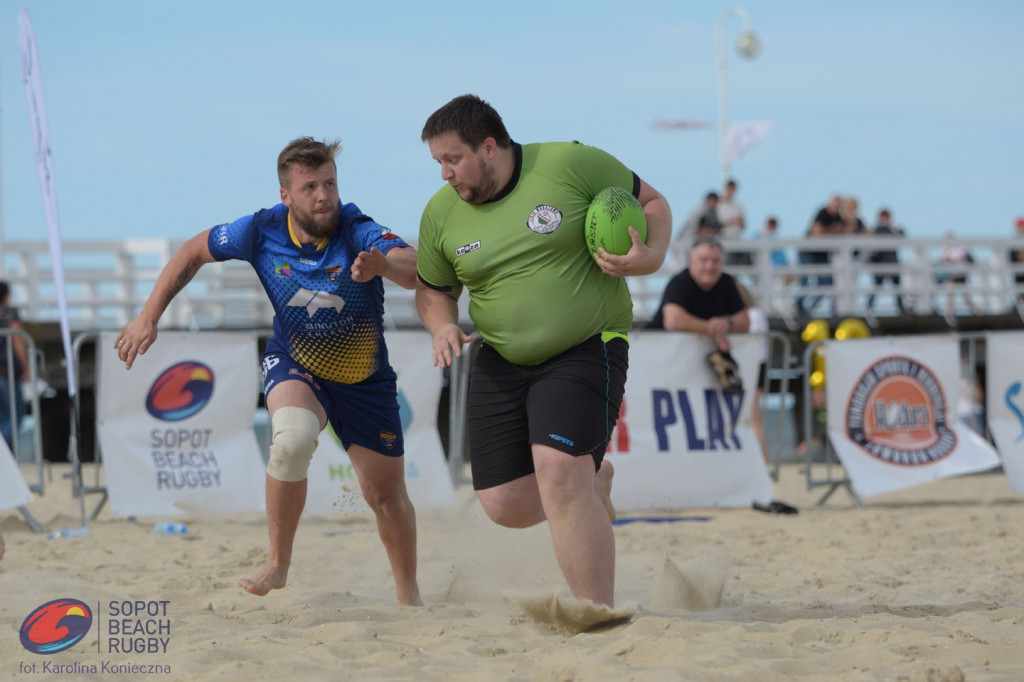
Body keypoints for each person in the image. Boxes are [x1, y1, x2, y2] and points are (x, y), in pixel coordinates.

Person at [115, 137, 423, 605]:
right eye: (310, 187)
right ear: (287, 196)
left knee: (386, 497)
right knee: (293, 439)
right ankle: (278, 563)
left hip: (364, 379)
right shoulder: (259, 230)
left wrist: (383, 265)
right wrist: (148, 316)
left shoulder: (356, 227)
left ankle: (408, 592)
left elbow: (413, 267)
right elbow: (192, 251)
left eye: (330, 184)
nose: (324, 196)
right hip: (298, 362)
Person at [415, 94, 671, 609]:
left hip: (585, 343)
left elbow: (653, 203)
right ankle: (592, 480)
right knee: (503, 503)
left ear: (489, 147)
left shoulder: (568, 163)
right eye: (437, 163)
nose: (444, 174)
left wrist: (651, 257)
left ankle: (595, 612)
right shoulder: (441, 214)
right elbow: (433, 289)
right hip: (503, 356)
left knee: (558, 468)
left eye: (452, 159)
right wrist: (441, 326)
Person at [647, 237, 750, 393]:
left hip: (693, 381)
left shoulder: (727, 282)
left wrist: (727, 322)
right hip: (658, 366)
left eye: (715, 261)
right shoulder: (679, 282)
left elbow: (745, 321)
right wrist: (712, 328)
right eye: (703, 260)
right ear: (691, 261)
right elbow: (673, 320)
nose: (709, 266)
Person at [0, 281, 30, 451]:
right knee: (14, 415)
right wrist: (26, 366)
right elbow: (17, 340)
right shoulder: (9, 313)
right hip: (6, 371)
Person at [866, 208, 906, 313]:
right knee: (876, 287)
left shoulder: (893, 229)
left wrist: (894, 226)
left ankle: (901, 308)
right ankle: (869, 307)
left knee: (897, 288)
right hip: (881, 263)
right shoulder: (877, 230)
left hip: (892, 262)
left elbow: (903, 236)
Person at [718, 178, 751, 267]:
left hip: (737, 239)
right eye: (730, 189)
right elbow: (718, 224)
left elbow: (744, 225)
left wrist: (739, 221)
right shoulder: (718, 205)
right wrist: (733, 220)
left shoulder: (738, 206)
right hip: (723, 240)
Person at [1008, 216, 1024, 304]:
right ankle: (1019, 305)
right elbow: (1011, 255)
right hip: (1018, 270)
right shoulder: (1013, 240)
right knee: (1018, 290)